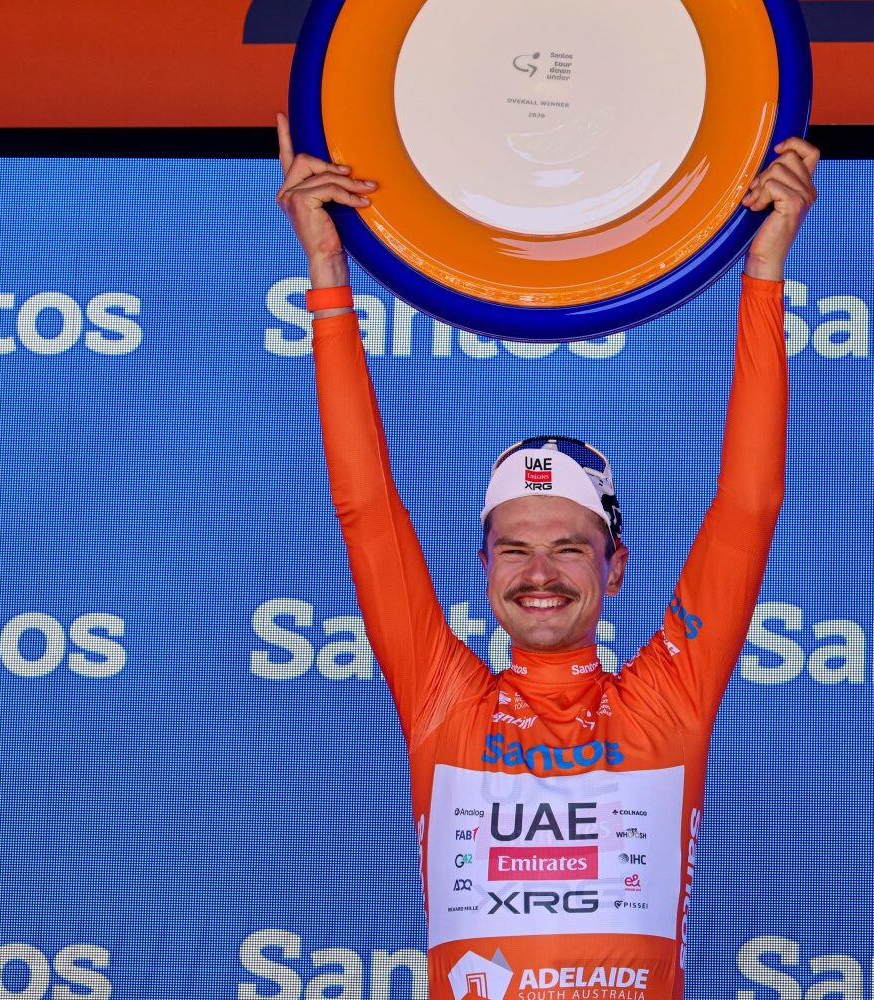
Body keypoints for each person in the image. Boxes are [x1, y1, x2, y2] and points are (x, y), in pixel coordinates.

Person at [275, 112, 817, 1000]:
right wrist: (328, 273)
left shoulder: (666, 701)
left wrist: (765, 269)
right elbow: (366, 512)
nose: (539, 572)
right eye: (515, 549)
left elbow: (748, 507)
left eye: (570, 547)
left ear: (615, 568)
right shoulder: (442, 702)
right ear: (482, 567)